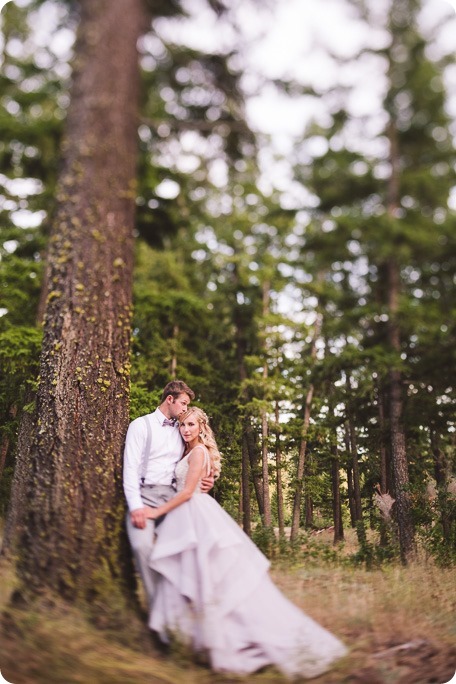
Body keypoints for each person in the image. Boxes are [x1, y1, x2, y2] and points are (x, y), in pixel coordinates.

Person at [144, 407, 348, 680]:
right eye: (182, 425)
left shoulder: (199, 452)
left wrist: (156, 512)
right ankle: (191, 638)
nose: (186, 429)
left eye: (191, 424)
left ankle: (215, 641)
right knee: (197, 578)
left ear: (201, 427)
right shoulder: (187, 452)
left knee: (209, 580)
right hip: (188, 518)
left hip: (195, 517)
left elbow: (187, 493)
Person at [123, 380, 213, 608]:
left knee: (187, 549)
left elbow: (197, 456)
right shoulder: (140, 426)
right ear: (169, 399)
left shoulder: (182, 429)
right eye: (183, 403)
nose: (185, 409)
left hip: (174, 498)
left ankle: (188, 605)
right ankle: (159, 611)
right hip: (144, 495)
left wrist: (207, 478)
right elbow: (130, 469)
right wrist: (136, 507)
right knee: (142, 546)